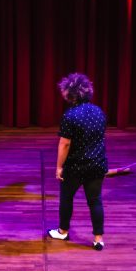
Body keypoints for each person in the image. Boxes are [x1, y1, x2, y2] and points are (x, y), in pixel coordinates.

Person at [46, 73, 107, 251]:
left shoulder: (70, 116)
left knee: (66, 198)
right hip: (96, 163)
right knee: (95, 201)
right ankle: (98, 239)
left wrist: (58, 167)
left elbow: (65, 144)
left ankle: (63, 231)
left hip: (76, 166)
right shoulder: (99, 112)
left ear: (69, 94)